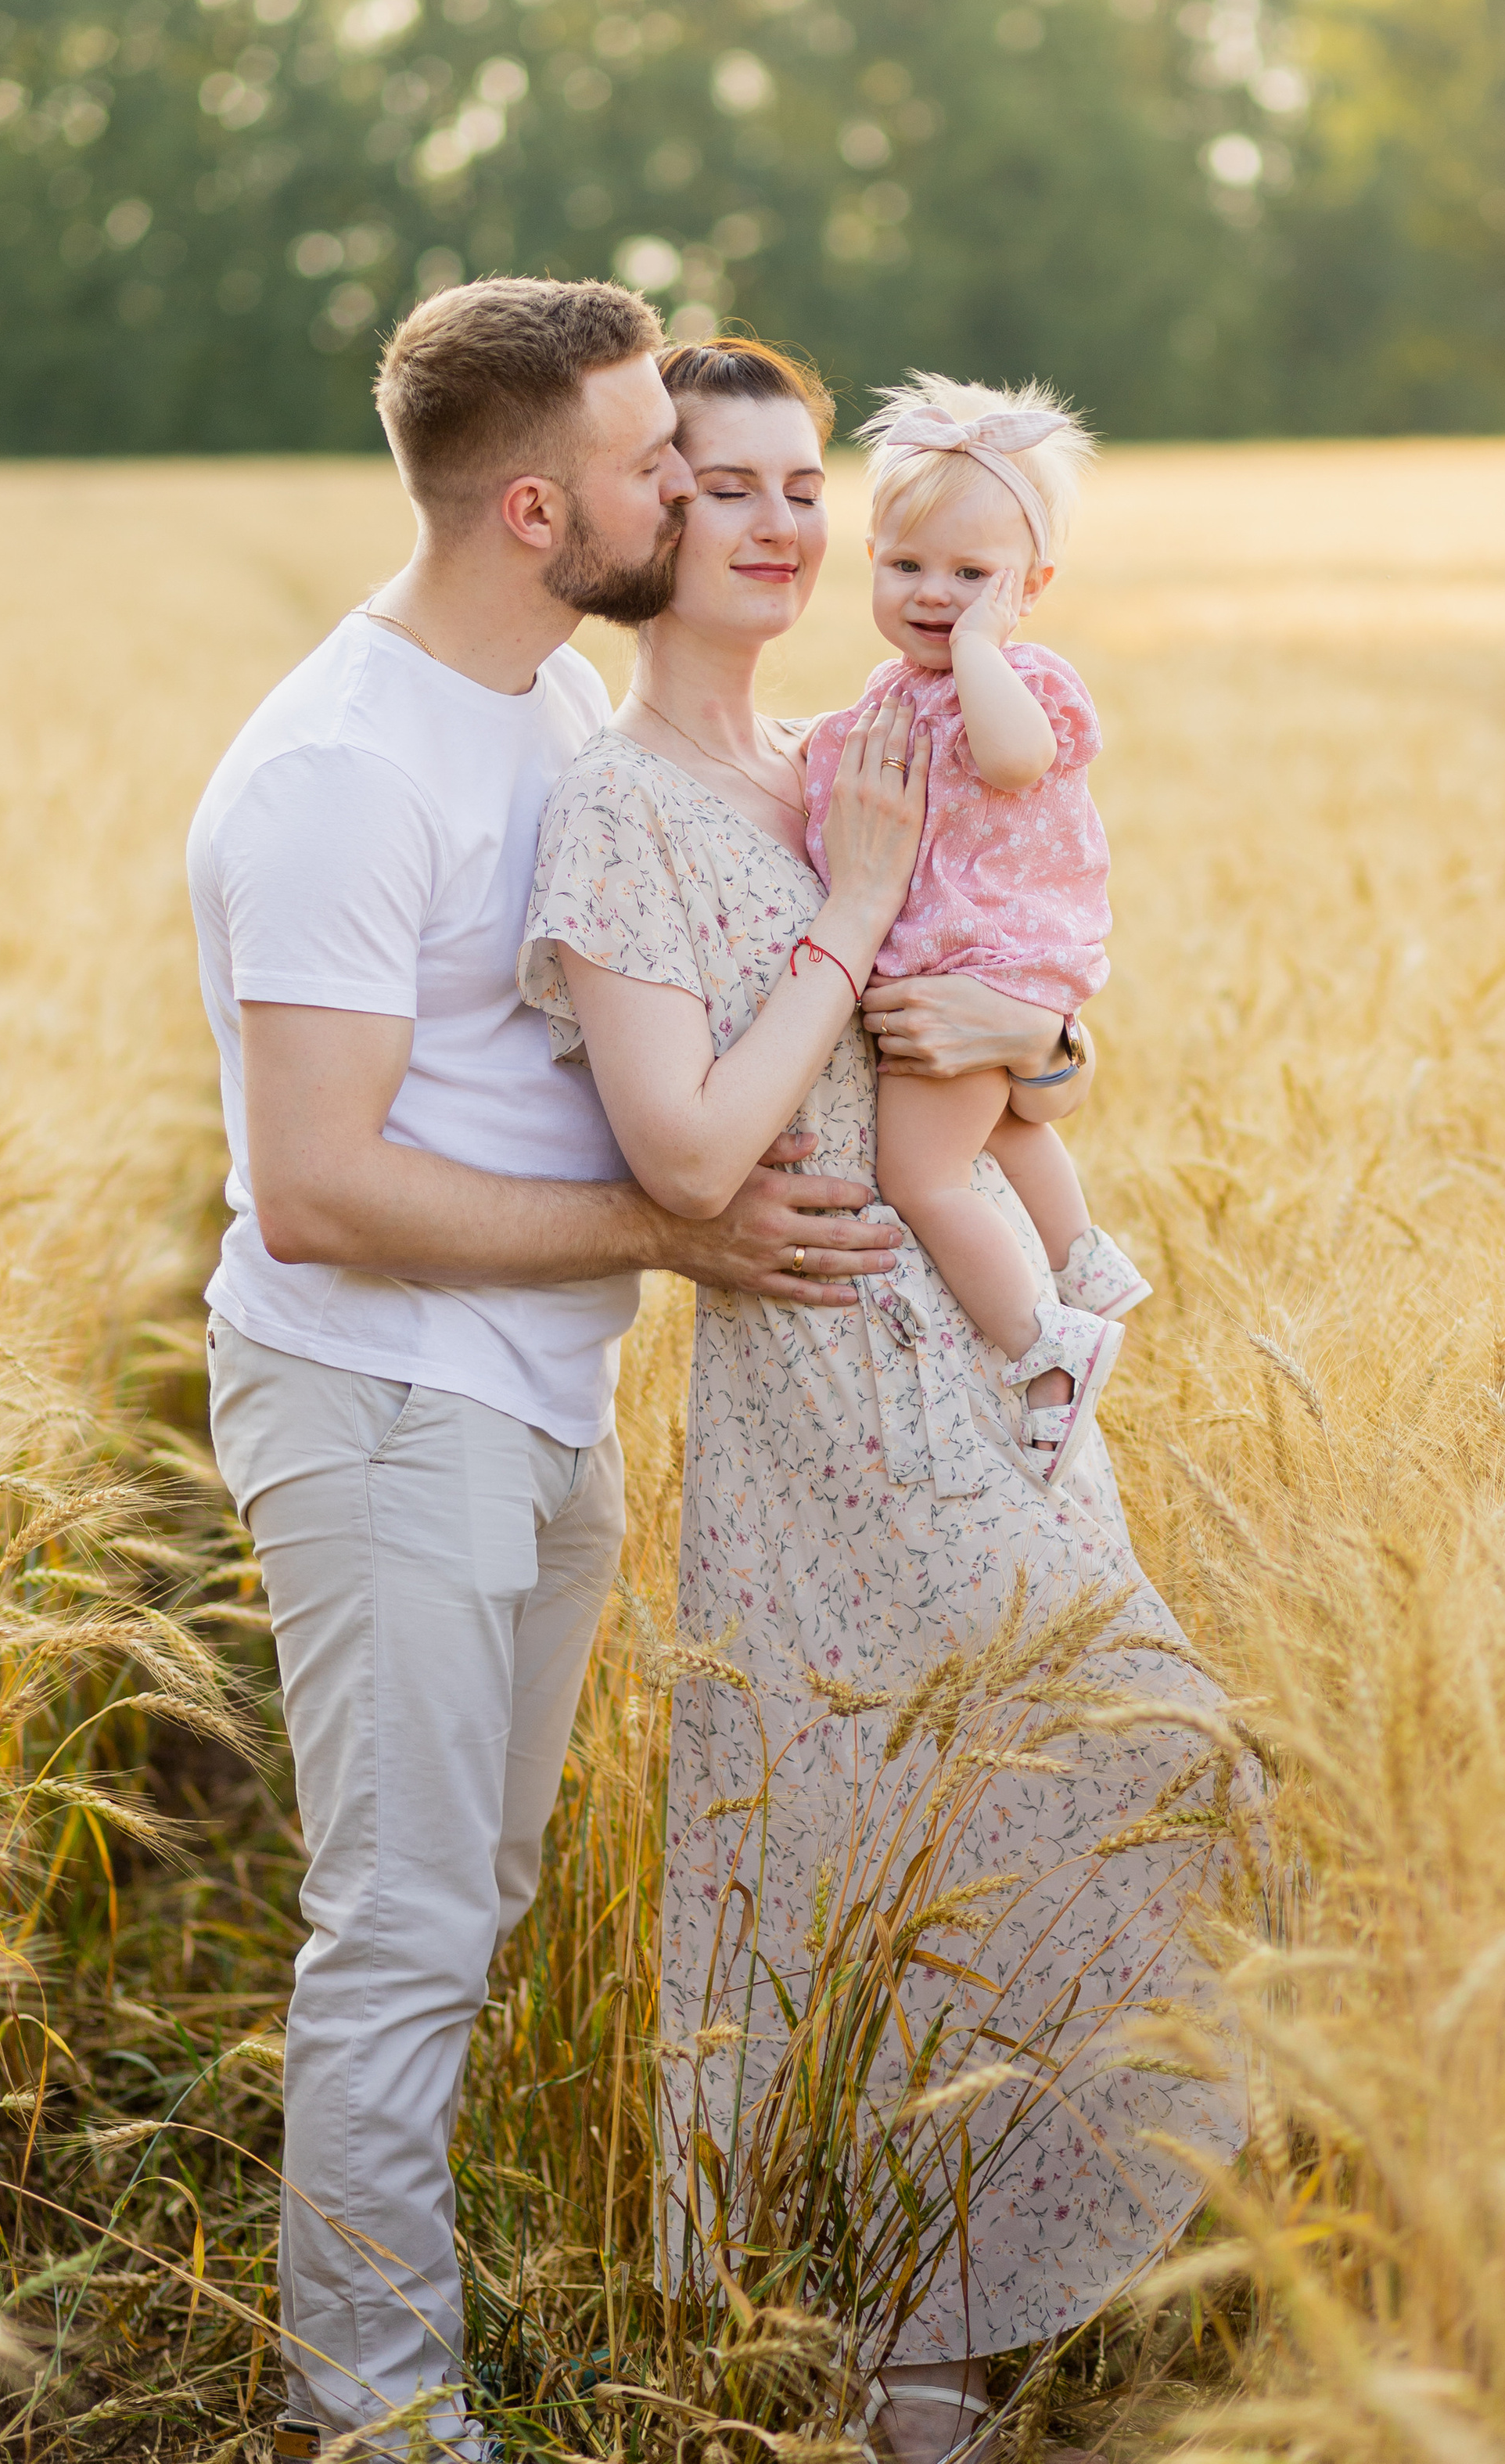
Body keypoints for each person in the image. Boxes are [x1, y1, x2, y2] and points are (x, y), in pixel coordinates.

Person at [188, 278, 982, 2459]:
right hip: (383, 1407)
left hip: (529, 1400)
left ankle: (397, 2361)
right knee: (408, 1920)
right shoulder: (345, 777)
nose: (694, 488)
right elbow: (317, 1192)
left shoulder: (538, 713)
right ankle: (377, 2415)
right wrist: (672, 1228)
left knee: (477, 1895)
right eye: (655, 462)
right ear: (538, 506)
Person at [519, 337, 1254, 2464]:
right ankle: (890, 2352)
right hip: (827, 1392)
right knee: (868, 1834)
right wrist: (854, 920)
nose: (770, 520)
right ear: (646, 524)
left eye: (789, 484)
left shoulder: (838, 749)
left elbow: (999, 967)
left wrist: (1039, 1035)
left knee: (1105, 1788)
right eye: (716, 485)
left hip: (973, 1359)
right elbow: (691, 1151)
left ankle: (991, 2287)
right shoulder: (631, 803)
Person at [803, 378, 1151, 1479]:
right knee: (1005, 1129)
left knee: (922, 1178)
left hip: (985, 961)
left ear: (1032, 587)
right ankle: (1079, 1257)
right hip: (962, 965)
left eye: (973, 576)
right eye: (907, 566)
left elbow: (1013, 759)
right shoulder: (886, 692)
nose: (936, 595)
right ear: (870, 560)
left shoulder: (1020, 678)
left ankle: (1048, 1349)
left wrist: (984, 653)